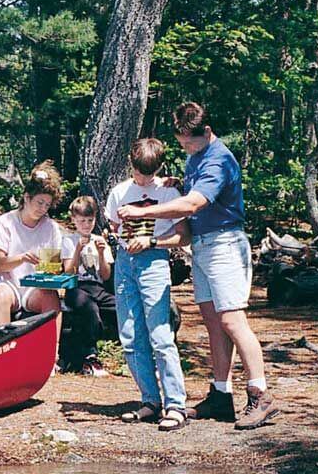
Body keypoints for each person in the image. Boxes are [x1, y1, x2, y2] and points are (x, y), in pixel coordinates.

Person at [118, 102, 279, 431]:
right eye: (180, 142)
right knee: (212, 322)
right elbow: (193, 191)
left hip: (225, 244)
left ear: (206, 132)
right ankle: (221, 395)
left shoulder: (219, 159)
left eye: (188, 142)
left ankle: (260, 394)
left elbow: (194, 203)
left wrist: (143, 213)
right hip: (203, 245)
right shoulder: (197, 157)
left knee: (233, 321)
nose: (183, 147)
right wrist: (179, 181)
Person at [106, 138, 191, 431]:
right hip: (124, 262)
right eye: (140, 172)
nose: (144, 179)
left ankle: (176, 405)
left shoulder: (168, 191)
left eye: (150, 173)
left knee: (161, 335)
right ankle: (150, 400)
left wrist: (152, 241)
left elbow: (184, 236)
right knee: (130, 335)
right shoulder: (119, 192)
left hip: (154, 261)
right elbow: (113, 228)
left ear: (159, 167)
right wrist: (116, 236)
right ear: (131, 165)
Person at [0, 161, 63, 338]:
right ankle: (3, 351)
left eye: (47, 205)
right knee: (1, 296)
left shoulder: (51, 227)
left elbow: (53, 267)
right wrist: (21, 258)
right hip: (9, 282)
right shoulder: (5, 222)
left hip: (34, 287)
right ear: (27, 197)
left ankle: (52, 355)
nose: (42, 209)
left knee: (50, 296)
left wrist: (51, 272)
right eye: (39, 202)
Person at [60, 196, 115, 376]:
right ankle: (90, 354)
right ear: (74, 219)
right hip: (77, 287)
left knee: (120, 307)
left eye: (90, 220)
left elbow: (106, 275)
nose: (86, 225)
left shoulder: (100, 240)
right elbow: (69, 272)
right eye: (82, 221)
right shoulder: (68, 240)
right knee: (89, 309)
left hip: (97, 287)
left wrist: (101, 253)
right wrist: (77, 249)